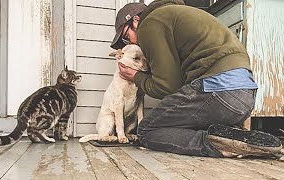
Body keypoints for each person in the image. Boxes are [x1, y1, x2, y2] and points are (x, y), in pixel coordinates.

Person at [110, 0, 282, 158]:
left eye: (126, 37)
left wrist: (136, 77)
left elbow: (167, 87)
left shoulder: (149, 24)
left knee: (147, 129)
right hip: (246, 97)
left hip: (219, 90)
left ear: (136, 21)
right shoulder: (175, 14)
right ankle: (241, 138)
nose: (130, 43)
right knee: (186, 122)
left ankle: (217, 145)